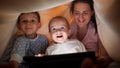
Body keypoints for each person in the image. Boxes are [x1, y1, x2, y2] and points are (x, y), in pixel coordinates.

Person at [69, 0, 113, 68]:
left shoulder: (97, 30)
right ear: (72, 13)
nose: (81, 17)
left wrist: (100, 62)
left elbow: (105, 57)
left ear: (92, 12)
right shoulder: (67, 30)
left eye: (85, 13)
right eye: (77, 13)